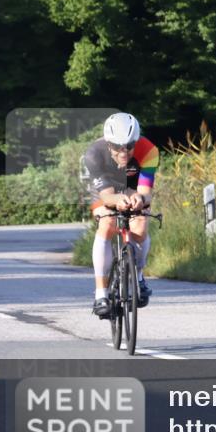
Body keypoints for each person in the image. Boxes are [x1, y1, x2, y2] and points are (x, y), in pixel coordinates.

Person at [83, 113, 159, 318]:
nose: (123, 152)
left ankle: (139, 277)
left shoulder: (149, 150)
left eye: (129, 146)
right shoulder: (93, 154)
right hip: (105, 189)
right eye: (117, 147)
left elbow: (145, 191)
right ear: (108, 144)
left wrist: (140, 200)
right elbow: (107, 197)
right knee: (107, 223)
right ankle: (100, 293)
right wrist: (117, 201)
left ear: (137, 141)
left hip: (132, 187)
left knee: (141, 224)